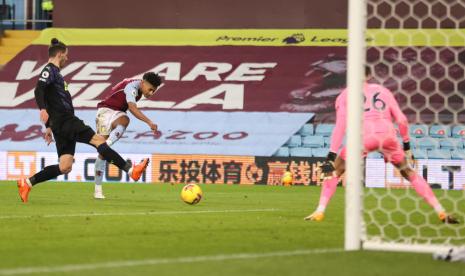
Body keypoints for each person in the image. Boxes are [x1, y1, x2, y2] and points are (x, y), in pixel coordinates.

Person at [305, 65, 459, 224]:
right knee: (409, 173)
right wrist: (407, 147)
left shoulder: (345, 95)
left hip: (364, 137)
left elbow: (340, 126)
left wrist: (331, 155)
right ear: (369, 75)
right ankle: (441, 211)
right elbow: (402, 120)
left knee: (333, 172)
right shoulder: (384, 91)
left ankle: (319, 211)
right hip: (388, 136)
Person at [16, 38, 149, 203]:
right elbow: (38, 89)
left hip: (58, 124)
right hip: (66, 120)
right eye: (66, 55)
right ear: (59, 54)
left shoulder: (56, 74)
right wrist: (42, 109)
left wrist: (48, 126)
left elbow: (52, 99)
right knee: (99, 140)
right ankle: (131, 171)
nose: (67, 58)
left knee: (65, 166)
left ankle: (27, 183)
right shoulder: (49, 70)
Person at [93, 72, 162, 199]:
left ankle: (98, 191)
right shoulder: (132, 87)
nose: (151, 93)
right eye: (150, 89)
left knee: (124, 120)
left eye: (154, 91)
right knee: (103, 153)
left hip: (116, 113)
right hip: (105, 111)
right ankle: (97, 189)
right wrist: (149, 122)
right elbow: (132, 108)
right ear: (143, 82)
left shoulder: (137, 88)